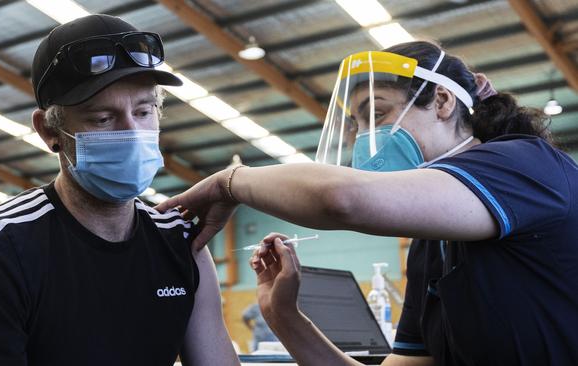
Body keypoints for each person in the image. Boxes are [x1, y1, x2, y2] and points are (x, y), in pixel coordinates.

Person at [156, 41, 578, 366]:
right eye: (356, 124)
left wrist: (227, 183)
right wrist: (283, 316)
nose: (365, 138)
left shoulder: (523, 166)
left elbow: (342, 198)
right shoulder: (433, 244)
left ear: (444, 103)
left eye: (376, 114)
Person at [0, 14, 238, 366]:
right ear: (49, 131)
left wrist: (237, 183)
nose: (131, 133)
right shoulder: (1, 243)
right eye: (102, 119)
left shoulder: (181, 241)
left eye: (143, 111)